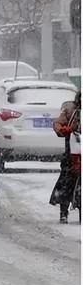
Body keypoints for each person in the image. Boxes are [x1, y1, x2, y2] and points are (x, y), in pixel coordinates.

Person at [50, 90, 81, 223]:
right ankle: (64, 211)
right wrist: (63, 129)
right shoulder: (71, 110)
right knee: (67, 181)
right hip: (72, 154)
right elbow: (58, 124)